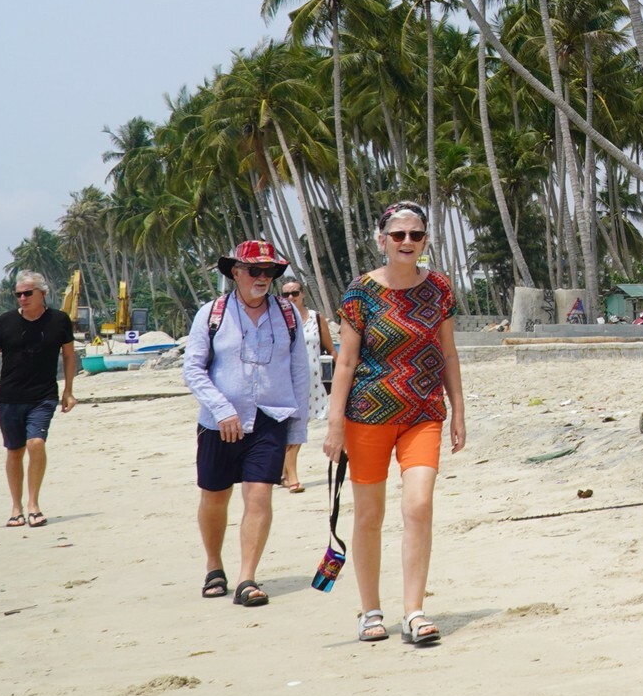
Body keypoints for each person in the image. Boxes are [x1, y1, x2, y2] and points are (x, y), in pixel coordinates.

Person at [323, 201, 466, 644]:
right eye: (399, 235)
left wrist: (458, 409)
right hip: (367, 414)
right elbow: (345, 361)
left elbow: (448, 353)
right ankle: (370, 612)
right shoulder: (360, 291)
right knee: (369, 514)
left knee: (419, 506)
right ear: (382, 240)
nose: (408, 242)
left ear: (425, 240)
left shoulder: (438, 288)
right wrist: (334, 424)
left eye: (416, 235)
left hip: (424, 413)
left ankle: (415, 611)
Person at [183, 240, 310, 606]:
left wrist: (297, 428)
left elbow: (300, 371)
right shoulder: (212, 314)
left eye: (269, 271)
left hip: (270, 419)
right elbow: (192, 368)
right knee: (215, 496)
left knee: (259, 495)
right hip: (218, 423)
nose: (262, 278)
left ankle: (247, 578)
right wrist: (221, 409)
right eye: (254, 270)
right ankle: (213, 566)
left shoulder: (287, 317)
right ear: (235, 272)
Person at [0, 271, 77, 529]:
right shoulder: (5, 321)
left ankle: (33, 505)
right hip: (9, 397)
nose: (22, 298)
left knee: (36, 443)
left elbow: (69, 356)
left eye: (27, 293)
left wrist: (69, 390)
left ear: (42, 293)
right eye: (18, 294)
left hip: (43, 395)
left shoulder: (59, 320)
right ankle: (16, 508)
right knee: (15, 451)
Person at [279, 278, 337, 493]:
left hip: (312, 383)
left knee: (297, 426)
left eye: (295, 293)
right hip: (287, 382)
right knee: (296, 426)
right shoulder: (279, 320)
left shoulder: (316, 318)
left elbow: (330, 349)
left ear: (303, 294)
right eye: (286, 294)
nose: (291, 298)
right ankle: (291, 477)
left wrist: (342, 375)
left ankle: (285, 473)